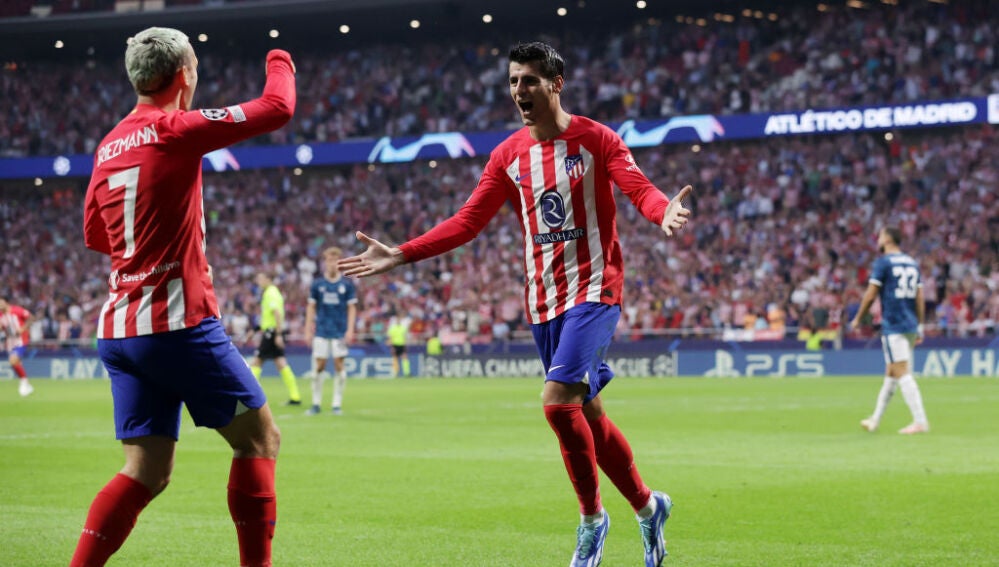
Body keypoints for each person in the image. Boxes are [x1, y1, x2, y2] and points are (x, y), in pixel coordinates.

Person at [339, 41, 691, 567]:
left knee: (555, 403)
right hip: (543, 303)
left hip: (595, 291)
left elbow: (637, 187)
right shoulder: (508, 156)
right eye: (512, 82)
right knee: (587, 415)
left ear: (555, 83)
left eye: (528, 80)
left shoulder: (597, 140)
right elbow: (467, 222)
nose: (519, 91)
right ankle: (647, 506)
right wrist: (403, 254)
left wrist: (662, 211)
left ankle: (593, 519)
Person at [76, 27, 295, 567]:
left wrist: (154, 240)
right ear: (184, 75)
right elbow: (277, 106)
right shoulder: (174, 128)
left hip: (120, 331)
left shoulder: (109, 144)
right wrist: (279, 53)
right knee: (259, 440)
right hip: (175, 325)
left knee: (146, 471)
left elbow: (94, 234)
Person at [850, 226, 929, 435]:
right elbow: (920, 297)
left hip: (894, 324)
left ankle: (920, 421)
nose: (878, 239)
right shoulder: (912, 263)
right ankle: (875, 420)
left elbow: (870, 294)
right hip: (911, 323)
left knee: (901, 372)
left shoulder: (883, 263)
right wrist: (920, 325)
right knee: (892, 373)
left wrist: (858, 317)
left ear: (887, 238)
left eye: (880, 235)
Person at [303, 247, 357, 415]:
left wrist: (350, 330)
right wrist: (307, 329)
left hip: (340, 332)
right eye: (328, 260)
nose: (331, 263)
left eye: (334, 260)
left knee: (340, 366)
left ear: (339, 262)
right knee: (319, 366)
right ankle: (316, 403)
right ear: (325, 262)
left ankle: (336, 404)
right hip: (321, 331)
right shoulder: (318, 284)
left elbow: (352, 309)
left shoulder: (346, 285)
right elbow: (311, 307)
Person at [248, 270, 302, 405]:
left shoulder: (271, 293)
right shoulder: (270, 292)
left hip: (271, 333)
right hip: (271, 331)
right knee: (281, 363)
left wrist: (278, 335)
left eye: (261, 279)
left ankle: (248, 396)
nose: (258, 282)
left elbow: (277, 314)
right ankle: (295, 396)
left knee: (257, 362)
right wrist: (255, 330)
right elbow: (269, 317)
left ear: (268, 279)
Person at [0, 294, 34, 397]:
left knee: (13, 360)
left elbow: (31, 318)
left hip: (21, 341)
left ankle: (24, 383)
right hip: (10, 343)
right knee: (15, 362)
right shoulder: (1, 315)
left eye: (0, 302)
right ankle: (27, 385)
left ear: (6, 302)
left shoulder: (17, 310)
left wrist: (23, 329)